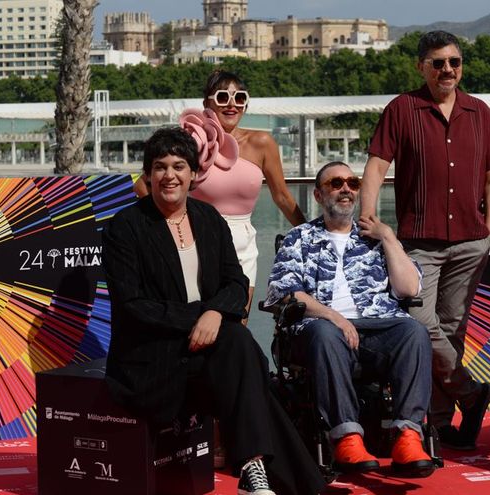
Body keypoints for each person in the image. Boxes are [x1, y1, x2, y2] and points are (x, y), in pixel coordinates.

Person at [103, 127, 325, 495]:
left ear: (193, 174)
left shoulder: (208, 219)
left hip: (209, 352)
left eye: (179, 166)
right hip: (153, 358)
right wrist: (201, 319)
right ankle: (295, 480)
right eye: (160, 167)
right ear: (147, 174)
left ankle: (255, 469)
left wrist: (214, 316)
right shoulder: (125, 228)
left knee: (236, 347)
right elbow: (133, 305)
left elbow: (236, 283)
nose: (169, 175)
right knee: (243, 352)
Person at [360, 30, 490, 450]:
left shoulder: (480, 112)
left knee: (454, 331)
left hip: (471, 243)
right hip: (418, 244)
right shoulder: (402, 109)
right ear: (421, 66)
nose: (447, 70)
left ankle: (439, 423)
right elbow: (375, 166)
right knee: (420, 327)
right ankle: (470, 393)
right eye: (438, 63)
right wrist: (368, 218)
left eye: (454, 62)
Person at [265, 161, 436, 478]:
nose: (346, 188)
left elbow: (409, 288)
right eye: (335, 183)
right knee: (325, 333)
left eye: (353, 183)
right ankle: (346, 438)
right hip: (320, 333)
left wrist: (387, 236)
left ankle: (408, 436)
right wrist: (334, 317)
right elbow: (283, 293)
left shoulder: (374, 237)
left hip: (377, 329)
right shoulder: (299, 238)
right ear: (318, 194)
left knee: (413, 330)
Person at [180, 70, 307, 323]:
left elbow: (281, 196)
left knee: (237, 325)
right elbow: (146, 186)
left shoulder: (262, 142)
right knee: (194, 323)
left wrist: (311, 234)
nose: (231, 104)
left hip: (243, 244)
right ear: (207, 103)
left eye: (239, 97)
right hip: (196, 239)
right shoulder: (190, 142)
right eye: (223, 96)